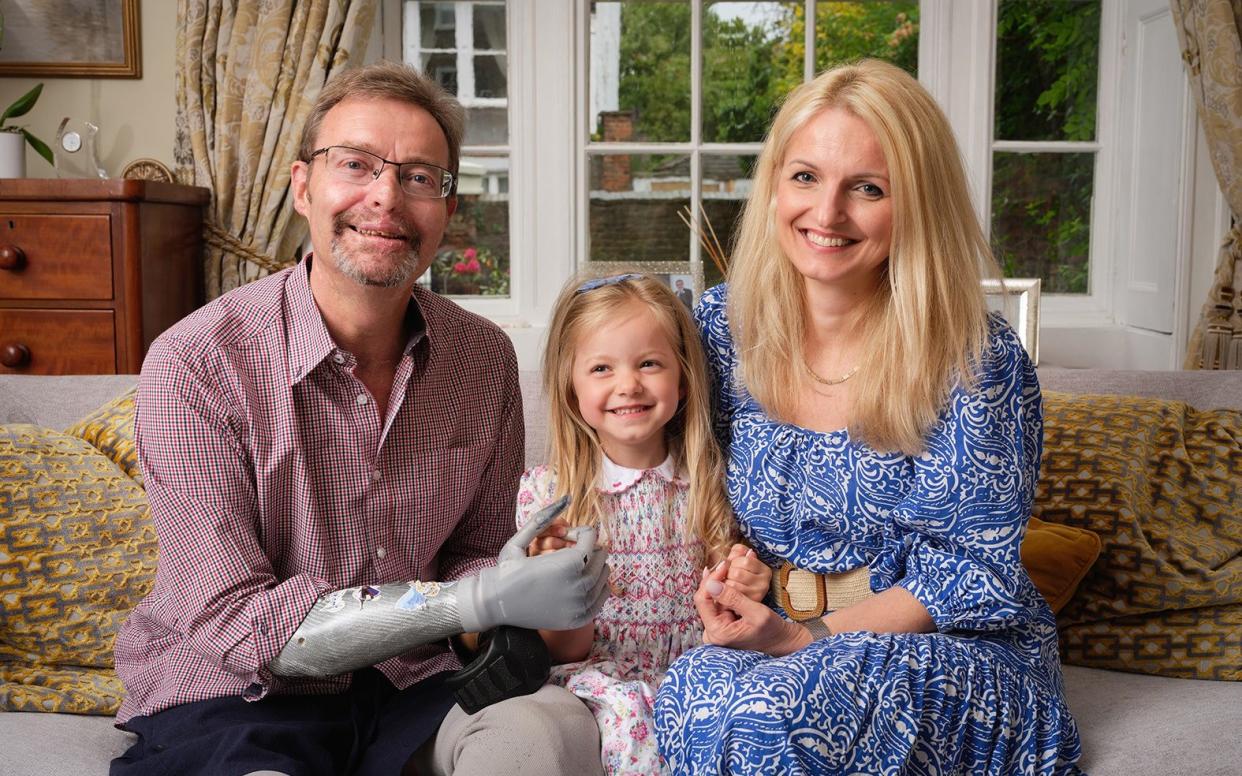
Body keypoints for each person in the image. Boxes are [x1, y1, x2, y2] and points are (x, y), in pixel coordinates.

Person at [111, 61, 609, 776]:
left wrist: (515, 579)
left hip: (416, 683)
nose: (386, 198)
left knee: (546, 731)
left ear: (446, 206)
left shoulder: (483, 358)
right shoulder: (194, 363)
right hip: (236, 693)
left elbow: (474, 549)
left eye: (418, 177)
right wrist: (474, 597)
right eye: (357, 164)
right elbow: (239, 623)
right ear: (302, 186)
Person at [654, 59, 1084, 775]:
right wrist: (729, 579)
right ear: (773, 186)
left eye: (868, 189)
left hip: (954, 651)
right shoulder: (722, 330)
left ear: (916, 203)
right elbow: (676, 475)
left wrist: (807, 638)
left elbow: (970, 572)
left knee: (775, 711)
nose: (826, 215)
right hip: (780, 633)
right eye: (805, 177)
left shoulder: (976, 357)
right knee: (693, 689)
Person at [518, 273, 771, 775]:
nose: (628, 384)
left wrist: (747, 582)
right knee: (633, 722)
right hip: (603, 670)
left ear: (682, 379)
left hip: (699, 662)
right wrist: (566, 583)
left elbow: (729, 607)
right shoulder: (550, 498)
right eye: (601, 368)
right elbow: (564, 647)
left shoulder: (713, 481)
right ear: (572, 390)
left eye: (649, 363)